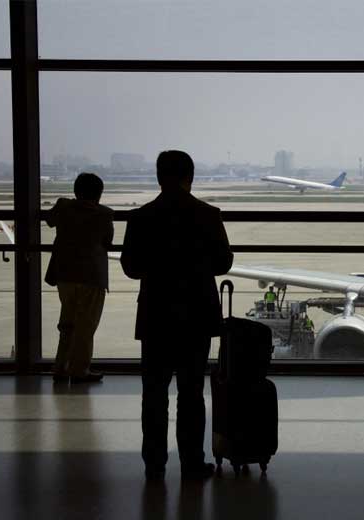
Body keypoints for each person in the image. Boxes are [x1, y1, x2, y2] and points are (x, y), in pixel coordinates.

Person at [121, 150, 233, 480]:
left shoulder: (141, 217)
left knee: (154, 395)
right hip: (196, 316)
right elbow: (223, 263)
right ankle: (192, 463)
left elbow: (131, 267)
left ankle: (154, 464)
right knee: (191, 394)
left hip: (156, 316)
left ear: (159, 177)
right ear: (190, 177)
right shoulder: (208, 215)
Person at [45, 173, 114, 384]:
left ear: (76, 191)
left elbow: (49, 220)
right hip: (91, 276)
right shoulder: (105, 214)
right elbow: (107, 242)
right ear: (99, 194)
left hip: (65, 273)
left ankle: (60, 367)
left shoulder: (63, 207)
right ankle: (79, 369)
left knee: (67, 322)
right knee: (86, 325)